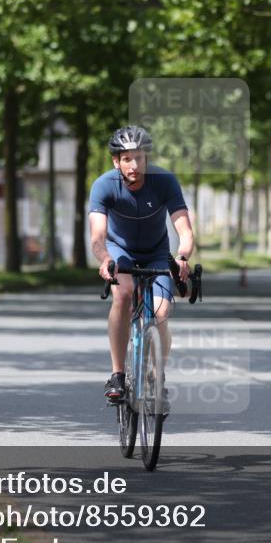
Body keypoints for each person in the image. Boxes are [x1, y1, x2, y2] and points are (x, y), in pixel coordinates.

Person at [88, 125, 194, 404]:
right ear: (116, 161)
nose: (134, 165)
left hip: (156, 252)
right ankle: (118, 375)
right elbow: (98, 237)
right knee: (122, 296)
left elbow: (184, 230)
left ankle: (157, 376)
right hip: (119, 251)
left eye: (139, 158)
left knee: (161, 312)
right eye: (126, 159)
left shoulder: (165, 181)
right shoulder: (103, 185)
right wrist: (105, 260)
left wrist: (182, 257)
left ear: (147, 158)